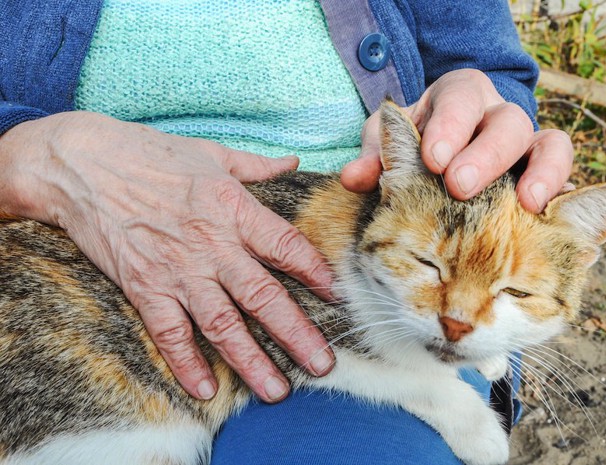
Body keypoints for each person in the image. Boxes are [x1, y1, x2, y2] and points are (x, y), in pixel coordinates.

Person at [0, 0, 574, 462]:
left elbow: (490, 68)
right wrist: (28, 151)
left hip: (399, 229)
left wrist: (483, 106)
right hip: (63, 258)